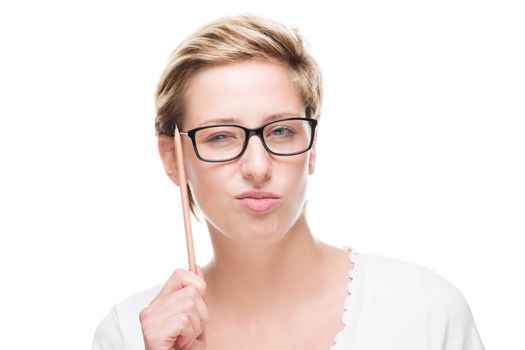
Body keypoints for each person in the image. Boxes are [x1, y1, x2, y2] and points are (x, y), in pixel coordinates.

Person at [92, 14, 485, 350]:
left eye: (280, 131)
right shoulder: (129, 333)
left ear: (312, 146)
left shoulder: (425, 310)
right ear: (173, 159)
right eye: (220, 136)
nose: (257, 167)